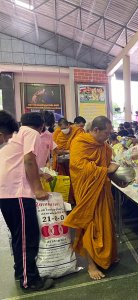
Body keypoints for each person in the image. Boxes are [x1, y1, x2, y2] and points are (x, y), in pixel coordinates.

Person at [0, 112, 54, 291]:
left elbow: (21, 162)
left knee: (18, 236)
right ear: (41, 127)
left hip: (7, 193)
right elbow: (29, 160)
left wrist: (40, 174)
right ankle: (29, 281)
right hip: (18, 193)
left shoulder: (16, 136)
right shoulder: (31, 133)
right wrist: (38, 189)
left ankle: (21, 272)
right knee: (27, 238)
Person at [63, 116, 119, 280]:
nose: (108, 136)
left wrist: (112, 171)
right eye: (106, 133)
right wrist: (106, 170)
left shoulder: (104, 146)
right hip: (87, 192)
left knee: (106, 223)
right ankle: (91, 265)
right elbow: (80, 167)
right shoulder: (80, 143)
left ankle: (106, 256)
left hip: (103, 190)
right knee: (89, 225)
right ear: (96, 130)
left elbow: (107, 163)